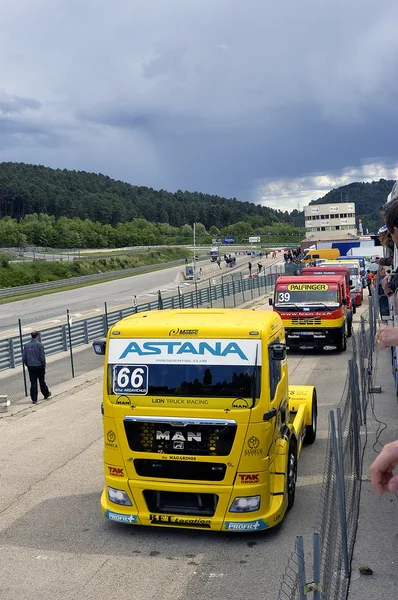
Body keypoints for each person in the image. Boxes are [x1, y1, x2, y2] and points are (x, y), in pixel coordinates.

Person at [22, 331, 51, 404]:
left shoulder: (26, 345)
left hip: (31, 367)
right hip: (39, 366)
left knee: (33, 383)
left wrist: (27, 364)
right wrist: (44, 364)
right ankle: (46, 394)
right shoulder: (39, 345)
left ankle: (34, 399)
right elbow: (42, 356)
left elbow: (24, 357)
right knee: (42, 381)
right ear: (37, 336)